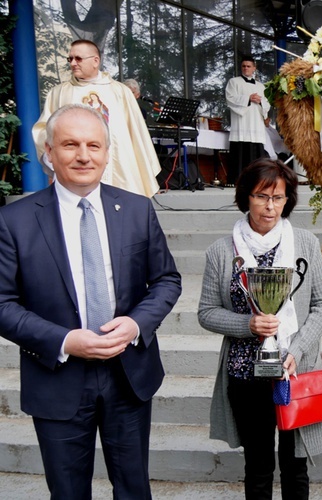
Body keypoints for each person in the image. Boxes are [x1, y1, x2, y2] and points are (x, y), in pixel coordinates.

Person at [0, 104, 182, 498]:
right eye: (70, 144)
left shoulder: (136, 209)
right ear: (49, 152)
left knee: (133, 489)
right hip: (57, 375)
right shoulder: (13, 222)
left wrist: (136, 323)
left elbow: (167, 280)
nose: (84, 155)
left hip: (128, 373)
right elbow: (2, 303)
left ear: (105, 152)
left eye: (94, 145)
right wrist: (65, 340)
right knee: (67, 492)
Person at [198, 158, 322, 499]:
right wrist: (248, 324)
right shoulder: (221, 251)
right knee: (258, 467)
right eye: (262, 196)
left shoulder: (303, 243)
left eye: (279, 197)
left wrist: (299, 348)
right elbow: (206, 312)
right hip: (246, 376)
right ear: (246, 196)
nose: (270, 206)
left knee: (295, 465)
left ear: (288, 200)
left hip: (293, 372)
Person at [32, 40, 162, 198]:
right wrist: (54, 160)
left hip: (119, 167)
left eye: (78, 59)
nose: (73, 63)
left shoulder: (120, 92)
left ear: (95, 61)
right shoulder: (59, 93)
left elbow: (137, 134)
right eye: (70, 59)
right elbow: (44, 132)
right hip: (76, 166)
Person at [226, 56, 271, 186]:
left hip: (256, 123)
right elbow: (230, 99)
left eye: (249, 66)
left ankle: (257, 181)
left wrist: (260, 101)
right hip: (241, 123)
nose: (246, 68)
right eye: (244, 66)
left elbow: (267, 104)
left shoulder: (261, 86)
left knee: (256, 151)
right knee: (240, 151)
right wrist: (248, 98)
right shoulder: (233, 82)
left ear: (254, 68)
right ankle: (237, 180)